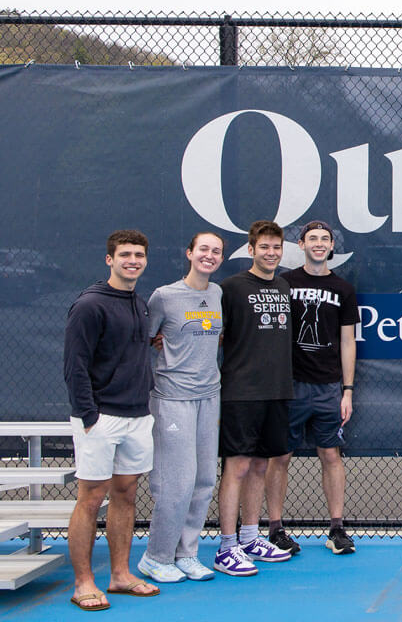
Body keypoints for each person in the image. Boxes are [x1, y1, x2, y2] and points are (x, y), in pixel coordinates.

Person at [63, 229, 160, 610]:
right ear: (110, 259)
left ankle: (119, 575)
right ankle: (83, 583)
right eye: (125, 255)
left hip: (138, 416)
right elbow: (75, 366)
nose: (132, 260)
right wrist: (89, 416)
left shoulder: (139, 304)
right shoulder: (90, 305)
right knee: (91, 498)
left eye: (139, 255)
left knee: (126, 494)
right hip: (100, 417)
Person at [136, 232, 225, 584]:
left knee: (204, 480)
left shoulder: (217, 294)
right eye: (203, 249)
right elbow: (143, 338)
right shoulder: (165, 296)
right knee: (177, 482)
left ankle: (186, 553)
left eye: (216, 251)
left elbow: (215, 336)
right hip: (172, 399)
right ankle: (155, 557)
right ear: (189, 253)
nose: (209, 255)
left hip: (210, 396)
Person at [266, 221, 359, 555]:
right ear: (301, 244)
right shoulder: (283, 283)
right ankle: (275, 529)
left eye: (325, 239)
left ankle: (337, 528)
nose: (319, 244)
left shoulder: (343, 289)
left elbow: (348, 342)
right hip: (290, 387)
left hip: (328, 388)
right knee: (280, 457)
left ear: (332, 246)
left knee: (331, 455)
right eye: (313, 239)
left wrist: (347, 390)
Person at [213, 220, 295, 577]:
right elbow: (212, 334)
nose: (271, 253)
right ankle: (226, 546)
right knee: (238, 467)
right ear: (251, 249)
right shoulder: (230, 288)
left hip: (276, 391)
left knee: (261, 465)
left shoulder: (282, 285)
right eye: (264, 247)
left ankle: (250, 536)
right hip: (240, 393)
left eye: (276, 247)